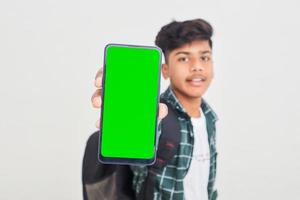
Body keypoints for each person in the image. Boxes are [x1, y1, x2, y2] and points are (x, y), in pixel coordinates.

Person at [88, 18, 219, 200]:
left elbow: (207, 184)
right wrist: (128, 110)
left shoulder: (209, 118)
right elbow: (139, 151)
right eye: (183, 58)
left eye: (204, 57)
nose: (197, 66)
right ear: (165, 70)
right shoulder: (157, 114)